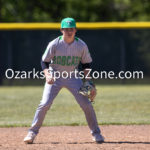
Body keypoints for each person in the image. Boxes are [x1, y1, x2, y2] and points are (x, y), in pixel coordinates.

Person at [24, 17, 104, 144]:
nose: (69, 31)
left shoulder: (81, 45)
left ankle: (96, 134)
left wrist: (88, 81)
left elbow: (86, 64)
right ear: (61, 30)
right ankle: (32, 133)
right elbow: (44, 61)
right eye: (66, 29)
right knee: (44, 104)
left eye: (71, 29)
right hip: (55, 76)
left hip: (73, 76)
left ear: (75, 30)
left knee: (87, 105)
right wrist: (47, 75)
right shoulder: (54, 44)